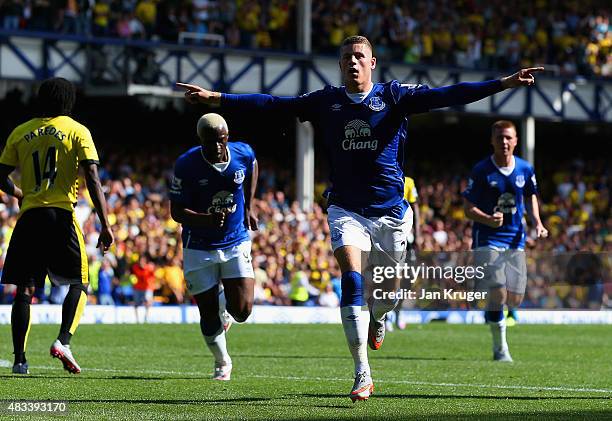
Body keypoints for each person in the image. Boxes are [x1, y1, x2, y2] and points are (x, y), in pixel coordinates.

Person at [177, 35, 543, 400]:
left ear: (372, 63)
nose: (353, 62)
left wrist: (504, 83)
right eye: (347, 57)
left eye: (360, 56)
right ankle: (361, 372)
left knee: (386, 296)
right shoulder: (327, 101)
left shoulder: (396, 96)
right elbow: (274, 104)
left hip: (392, 215)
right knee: (352, 280)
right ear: (341, 65)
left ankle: (380, 317)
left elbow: (451, 94)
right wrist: (219, 98)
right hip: (346, 210)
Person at [0, 77, 113, 375]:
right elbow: (92, 176)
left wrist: (19, 194)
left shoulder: (21, 132)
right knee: (80, 282)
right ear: (68, 101)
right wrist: (105, 223)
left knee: (24, 289)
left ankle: (19, 361)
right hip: (61, 214)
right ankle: (63, 340)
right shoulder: (77, 130)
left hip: (29, 218)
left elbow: (0, 175)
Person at [169, 113, 258, 381]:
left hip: (235, 240)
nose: (217, 146)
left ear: (227, 137)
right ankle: (222, 362)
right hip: (199, 246)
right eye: (211, 142)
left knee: (242, 310)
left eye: (221, 140)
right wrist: (205, 220)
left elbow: (254, 165)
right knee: (207, 313)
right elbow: (176, 211)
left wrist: (250, 206)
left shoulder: (242, 153)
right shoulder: (186, 164)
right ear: (201, 140)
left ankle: (226, 309)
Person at [462, 120, 548, 362]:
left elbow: (531, 197)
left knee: (516, 297)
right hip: (487, 237)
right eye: (499, 137)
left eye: (508, 137)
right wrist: (488, 218)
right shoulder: (481, 171)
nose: (504, 142)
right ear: (492, 141)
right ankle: (501, 348)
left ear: (516, 141)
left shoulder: (525, 169)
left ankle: (492, 311)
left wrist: (538, 223)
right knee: (498, 289)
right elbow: (468, 208)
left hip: (515, 239)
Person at [386, 175, 420, 332]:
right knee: (388, 275)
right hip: (387, 234)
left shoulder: (409, 182)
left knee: (408, 278)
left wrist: (418, 234)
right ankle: (386, 315)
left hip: (407, 237)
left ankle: (398, 311)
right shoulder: (383, 178)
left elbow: (415, 208)